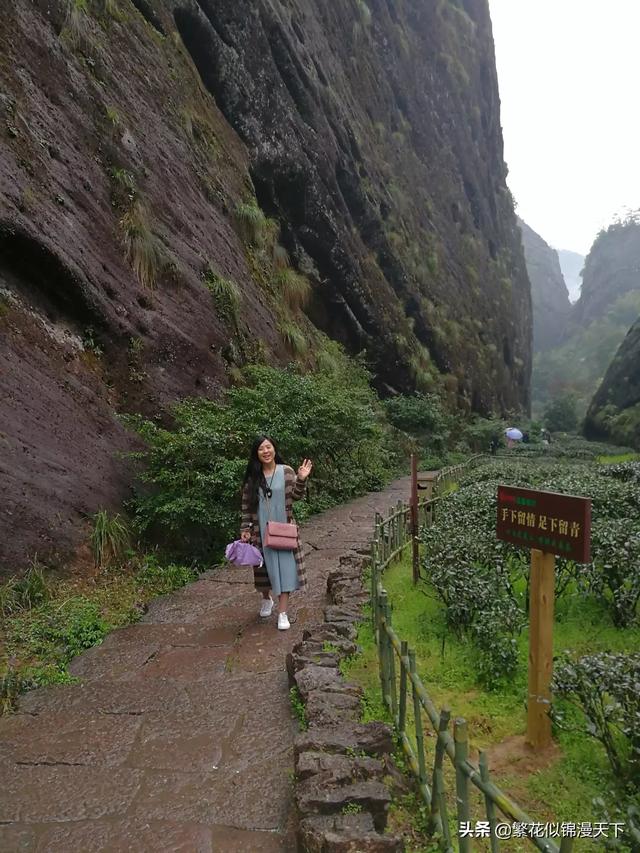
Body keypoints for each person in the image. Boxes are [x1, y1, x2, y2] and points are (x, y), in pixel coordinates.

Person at [240, 436, 312, 630]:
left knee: (286, 570)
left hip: (284, 530)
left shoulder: (286, 471)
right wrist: (245, 529)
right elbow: (246, 506)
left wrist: (302, 479)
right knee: (263, 570)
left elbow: (296, 496)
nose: (266, 451)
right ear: (257, 453)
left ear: (274, 450)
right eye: (261, 448)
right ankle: (266, 598)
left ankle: (282, 613)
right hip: (260, 531)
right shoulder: (253, 478)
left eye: (268, 447)